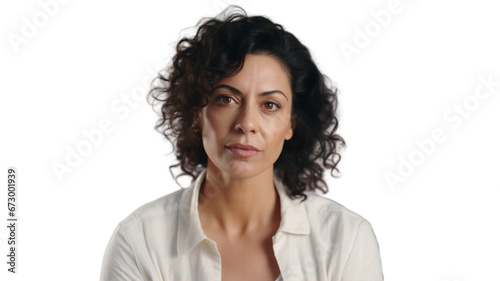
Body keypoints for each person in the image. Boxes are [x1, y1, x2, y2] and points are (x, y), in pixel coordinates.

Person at [99, 6, 384, 281]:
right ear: (198, 112)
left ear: (291, 125)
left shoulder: (346, 239)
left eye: (270, 105)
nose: (246, 123)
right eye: (227, 99)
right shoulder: (140, 242)